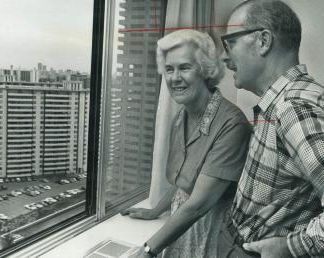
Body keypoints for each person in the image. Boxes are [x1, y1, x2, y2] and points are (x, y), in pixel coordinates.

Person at [122, 29, 251, 258]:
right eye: (169, 69)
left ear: (205, 70)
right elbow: (185, 180)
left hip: (212, 237)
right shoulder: (181, 117)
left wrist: (147, 250)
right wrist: (156, 211)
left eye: (184, 67)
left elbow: (199, 204)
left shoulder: (232, 124)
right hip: (180, 227)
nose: (174, 78)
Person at [219, 1, 324, 258]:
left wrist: (290, 247)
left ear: (263, 41)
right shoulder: (285, 101)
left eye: (230, 42)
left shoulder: (294, 108)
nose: (224, 56)